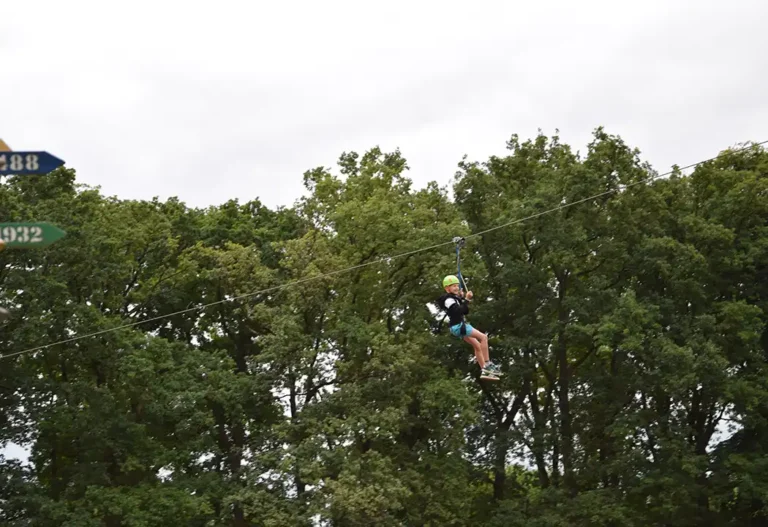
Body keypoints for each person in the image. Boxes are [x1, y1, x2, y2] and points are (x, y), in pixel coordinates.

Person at [436, 275, 501, 380]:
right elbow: (458, 311)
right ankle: (488, 364)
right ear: (447, 289)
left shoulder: (454, 299)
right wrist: (466, 299)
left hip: (457, 327)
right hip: (459, 326)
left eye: (457, 286)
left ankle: (484, 370)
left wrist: (462, 298)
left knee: (477, 346)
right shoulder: (448, 300)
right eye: (453, 286)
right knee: (484, 337)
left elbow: (465, 310)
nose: (456, 288)